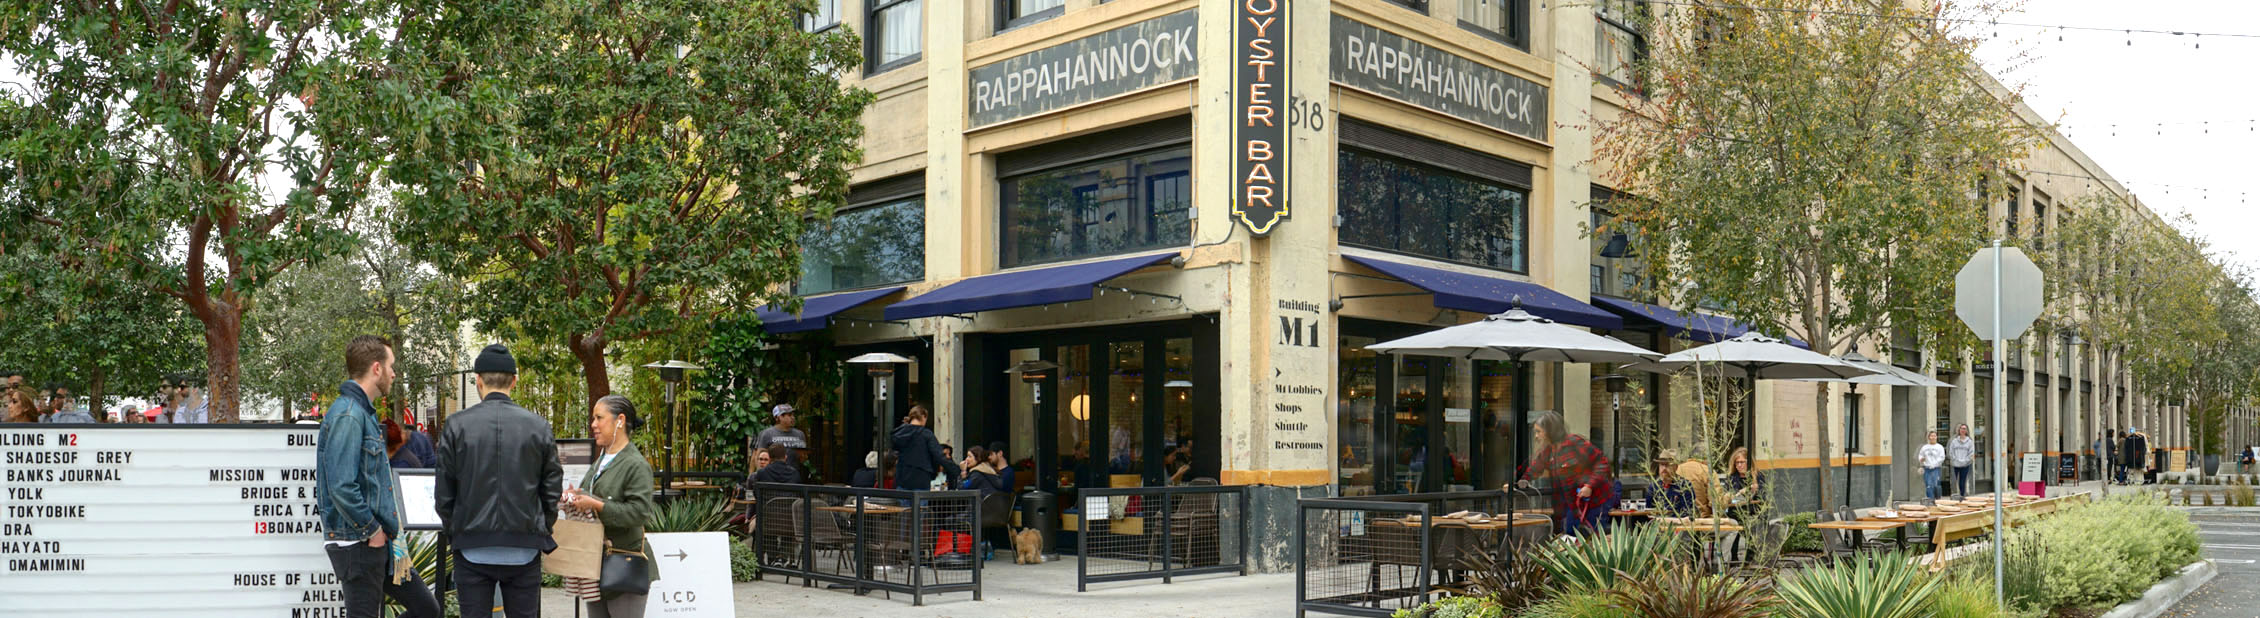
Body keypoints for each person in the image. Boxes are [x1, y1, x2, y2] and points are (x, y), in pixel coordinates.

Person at [314, 335, 441, 618]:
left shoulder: (363, 413)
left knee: (427, 609)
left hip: (377, 541)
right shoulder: (348, 415)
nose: (394, 373)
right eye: (391, 365)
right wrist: (372, 531)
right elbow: (340, 485)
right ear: (376, 368)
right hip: (358, 542)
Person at [435, 344, 562, 618]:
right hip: (524, 546)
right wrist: (540, 525)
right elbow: (551, 489)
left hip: (471, 544)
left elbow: (444, 492)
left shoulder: (457, 426)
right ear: (514, 381)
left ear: (478, 380)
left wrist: (456, 528)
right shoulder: (538, 427)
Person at [562, 395, 660, 618]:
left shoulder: (635, 464)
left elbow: (639, 513)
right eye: (593, 418)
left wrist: (596, 504)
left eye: (599, 418)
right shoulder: (603, 459)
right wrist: (576, 495)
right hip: (596, 564)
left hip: (624, 563)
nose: (593, 424)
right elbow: (592, 494)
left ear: (620, 420)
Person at [1509, 411, 1613, 535]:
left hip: (1593, 503)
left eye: (1539, 431)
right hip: (1572, 505)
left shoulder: (1574, 443)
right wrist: (1519, 482)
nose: (1536, 436)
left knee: (1590, 540)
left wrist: (1590, 485)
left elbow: (1602, 462)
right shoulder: (1548, 451)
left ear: (1550, 431)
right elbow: (1534, 469)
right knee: (1571, 538)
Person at [891, 404, 958, 492]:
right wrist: (956, 470)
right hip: (921, 479)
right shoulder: (926, 434)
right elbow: (939, 456)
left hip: (902, 479)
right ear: (923, 417)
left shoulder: (898, 433)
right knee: (919, 505)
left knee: (903, 506)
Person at [1722, 447, 1766, 518]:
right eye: (1737, 462)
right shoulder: (1731, 477)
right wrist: (1740, 493)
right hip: (1734, 514)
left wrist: (1755, 490)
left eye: (1742, 462)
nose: (1739, 465)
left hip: (1753, 515)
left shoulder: (1758, 476)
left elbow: (1763, 498)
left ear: (1749, 462)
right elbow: (1727, 496)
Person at [1948, 424, 1976, 497]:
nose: (1963, 430)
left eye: (1964, 429)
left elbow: (1971, 453)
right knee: (1954, 481)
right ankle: (1954, 495)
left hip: (1965, 464)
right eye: (1961, 428)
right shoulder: (1954, 441)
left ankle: (1962, 496)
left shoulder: (1970, 442)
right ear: (1959, 430)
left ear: (1966, 431)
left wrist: (1964, 461)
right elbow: (1951, 452)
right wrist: (1956, 460)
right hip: (1955, 464)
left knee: (1962, 481)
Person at [1920, 431, 1947, 500]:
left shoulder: (1940, 447)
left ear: (1936, 437)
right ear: (1928, 437)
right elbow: (1920, 456)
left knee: (1936, 485)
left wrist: (1934, 464)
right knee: (1928, 485)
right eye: (1931, 436)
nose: (1933, 437)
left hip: (1936, 468)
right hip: (1927, 468)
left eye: (1934, 436)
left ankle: (1938, 498)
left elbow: (1942, 457)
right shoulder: (1924, 447)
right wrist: (1921, 459)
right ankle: (1930, 500)